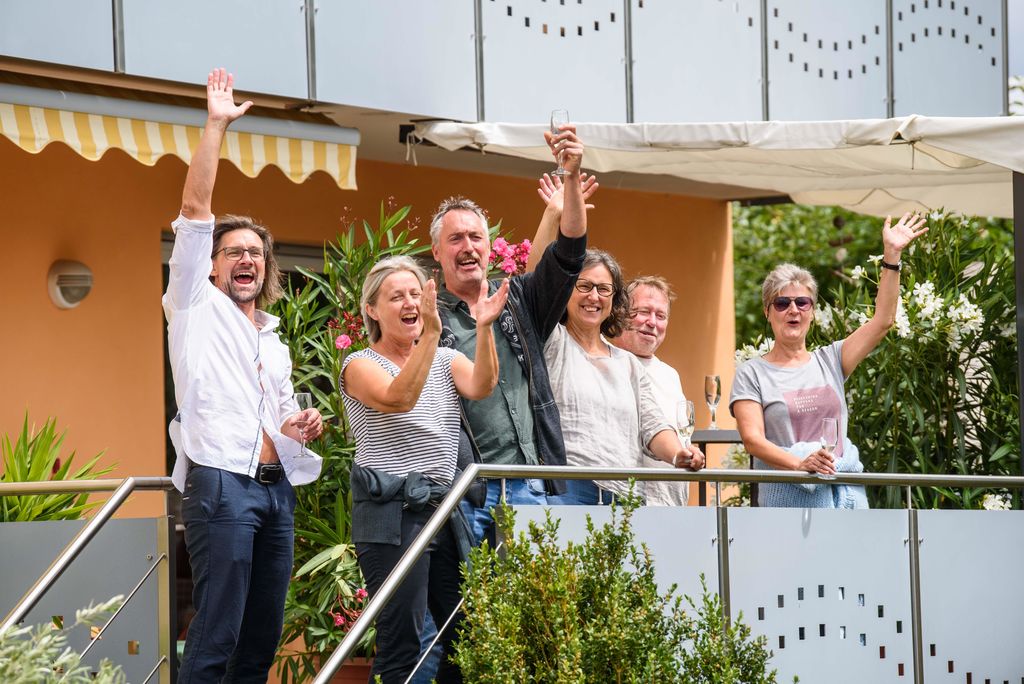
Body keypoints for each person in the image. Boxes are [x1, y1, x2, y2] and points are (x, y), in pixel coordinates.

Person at [164, 69, 324, 682]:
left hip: (275, 488)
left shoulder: (272, 339)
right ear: (210, 266)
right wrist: (216, 125)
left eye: (256, 252)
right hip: (222, 485)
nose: (247, 259)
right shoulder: (193, 304)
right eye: (233, 251)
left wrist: (299, 424)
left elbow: (279, 414)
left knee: (260, 641)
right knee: (216, 635)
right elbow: (193, 211)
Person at [340, 257, 508, 683]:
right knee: (401, 642)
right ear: (372, 310)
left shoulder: (446, 358)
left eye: (416, 294)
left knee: (468, 638)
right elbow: (399, 398)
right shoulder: (358, 364)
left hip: (443, 511)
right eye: (397, 296)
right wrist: (431, 335)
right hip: (390, 513)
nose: (410, 303)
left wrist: (484, 327)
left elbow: (483, 385)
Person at [431, 125, 589, 545]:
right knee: (473, 590)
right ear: (437, 252)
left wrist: (572, 176)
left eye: (476, 237)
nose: (468, 246)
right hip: (468, 491)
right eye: (455, 239)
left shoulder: (518, 299)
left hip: (533, 484)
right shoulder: (427, 321)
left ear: (489, 246)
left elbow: (570, 253)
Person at [730, 212, 928, 508]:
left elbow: (883, 321)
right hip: (785, 506)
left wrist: (892, 256)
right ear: (767, 312)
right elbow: (753, 440)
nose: (793, 310)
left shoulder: (831, 359)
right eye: (782, 303)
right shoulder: (752, 373)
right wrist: (800, 464)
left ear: (812, 311)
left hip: (842, 502)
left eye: (802, 302)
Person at [544, 249, 706, 505]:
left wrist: (679, 454)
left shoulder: (628, 363)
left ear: (614, 299)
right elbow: (539, 285)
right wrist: (560, 225)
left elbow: (653, 425)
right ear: (566, 290)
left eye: (604, 289)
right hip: (569, 490)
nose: (594, 296)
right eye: (584, 286)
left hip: (625, 496)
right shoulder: (554, 342)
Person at [611, 276, 692, 506]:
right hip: (628, 505)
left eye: (661, 316)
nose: (652, 322)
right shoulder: (608, 362)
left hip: (672, 505)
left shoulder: (670, 375)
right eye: (644, 312)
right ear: (621, 313)